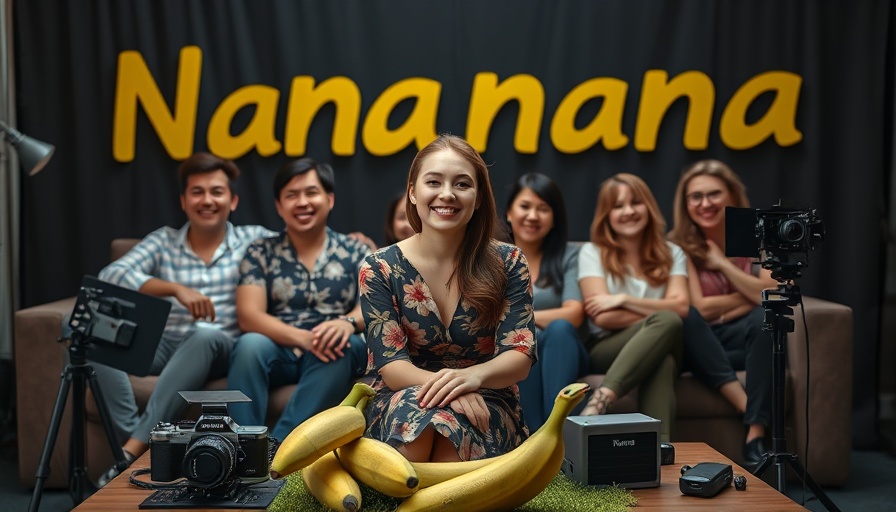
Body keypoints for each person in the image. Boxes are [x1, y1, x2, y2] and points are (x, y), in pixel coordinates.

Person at [90, 152, 275, 487]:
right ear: (183, 201)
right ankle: (136, 439)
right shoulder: (163, 241)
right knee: (88, 331)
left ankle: (128, 451)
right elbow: (111, 274)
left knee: (204, 333)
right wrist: (174, 289)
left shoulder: (254, 239)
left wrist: (357, 242)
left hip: (219, 346)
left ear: (232, 200)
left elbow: (303, 243)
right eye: (197, 192)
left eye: (216, 192)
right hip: (164, 345)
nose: (207, 200)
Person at [358, 134, 536, 462]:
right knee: (419, 430)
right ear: (412, 192)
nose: (447, 194)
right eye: (434, 182)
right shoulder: (379, 266)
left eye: (462, 184)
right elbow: (393, 367)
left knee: (452, 445)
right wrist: (453, 389)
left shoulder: (510, 262)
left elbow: (519, 356)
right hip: (404, 395)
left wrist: (471, 379)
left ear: (479, 197)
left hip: (486, 398)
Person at [227, 157, 370, 443]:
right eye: (291, 195)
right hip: (278, 346)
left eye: (311, 192)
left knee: (342, 343)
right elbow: (249, 315)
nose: (302, 202)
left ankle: (276, 450)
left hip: (332, 351)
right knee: (248, 344)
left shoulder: (355, 250)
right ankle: (241, 448)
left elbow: (372, 304)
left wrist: (346, 322)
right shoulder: (260, 251)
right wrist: (303, 338)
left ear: (329, 199)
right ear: (279, 206)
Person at [667, 159, 776, 465]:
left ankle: (755, 434)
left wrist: (722, 263)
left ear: (732, 195)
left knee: (765, 319)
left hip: (744, 342)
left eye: (713, 194)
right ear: (685, 203)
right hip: (698, 345)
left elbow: (770, 295)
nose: (705, 203)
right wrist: (751, 293)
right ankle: (747, 410)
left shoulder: (757, 235)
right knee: (686, 316)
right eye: (695, 196)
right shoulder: (679, 244)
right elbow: (700, 307)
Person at [577, 173, 685, 443]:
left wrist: (624, 300)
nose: (628, 211)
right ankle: (661, 446)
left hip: (666, 340)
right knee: (665, 326)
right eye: (618, 206)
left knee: (668, 330)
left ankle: (599, 402)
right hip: (607, 347)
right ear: (607, 215)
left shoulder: (673, 253)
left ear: (648, 206)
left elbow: (682, 307)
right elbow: (602, 317)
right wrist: (656, 315)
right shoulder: (592, 252)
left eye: (635, 202)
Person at [504, 173, 588, 430]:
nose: (533, 216)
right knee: (526, 341)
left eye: (543, 209)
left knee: (558, 328)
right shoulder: (494, 257)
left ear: (554, 218)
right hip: (518, 349)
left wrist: (525, 320)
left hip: (566, 348)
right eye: (525, 206)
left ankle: (553, 428)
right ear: (509, 212)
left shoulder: (571, 254)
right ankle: (541, 437)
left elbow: (573, 314)